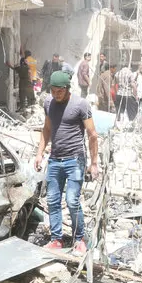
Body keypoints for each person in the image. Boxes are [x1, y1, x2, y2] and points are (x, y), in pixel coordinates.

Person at [35, 71, 99, 254]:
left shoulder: (80, 105)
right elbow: (46, 129)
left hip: (75, 159)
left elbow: (92, 134)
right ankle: (56, 239)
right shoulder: (48, 103)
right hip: (55, 160)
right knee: (53, 200)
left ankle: (79, 239)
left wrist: (93, 163)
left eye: (60, 91)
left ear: (67, 89)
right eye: (53, 91)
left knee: (72, 200)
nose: (56, 94)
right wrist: (40, 154)